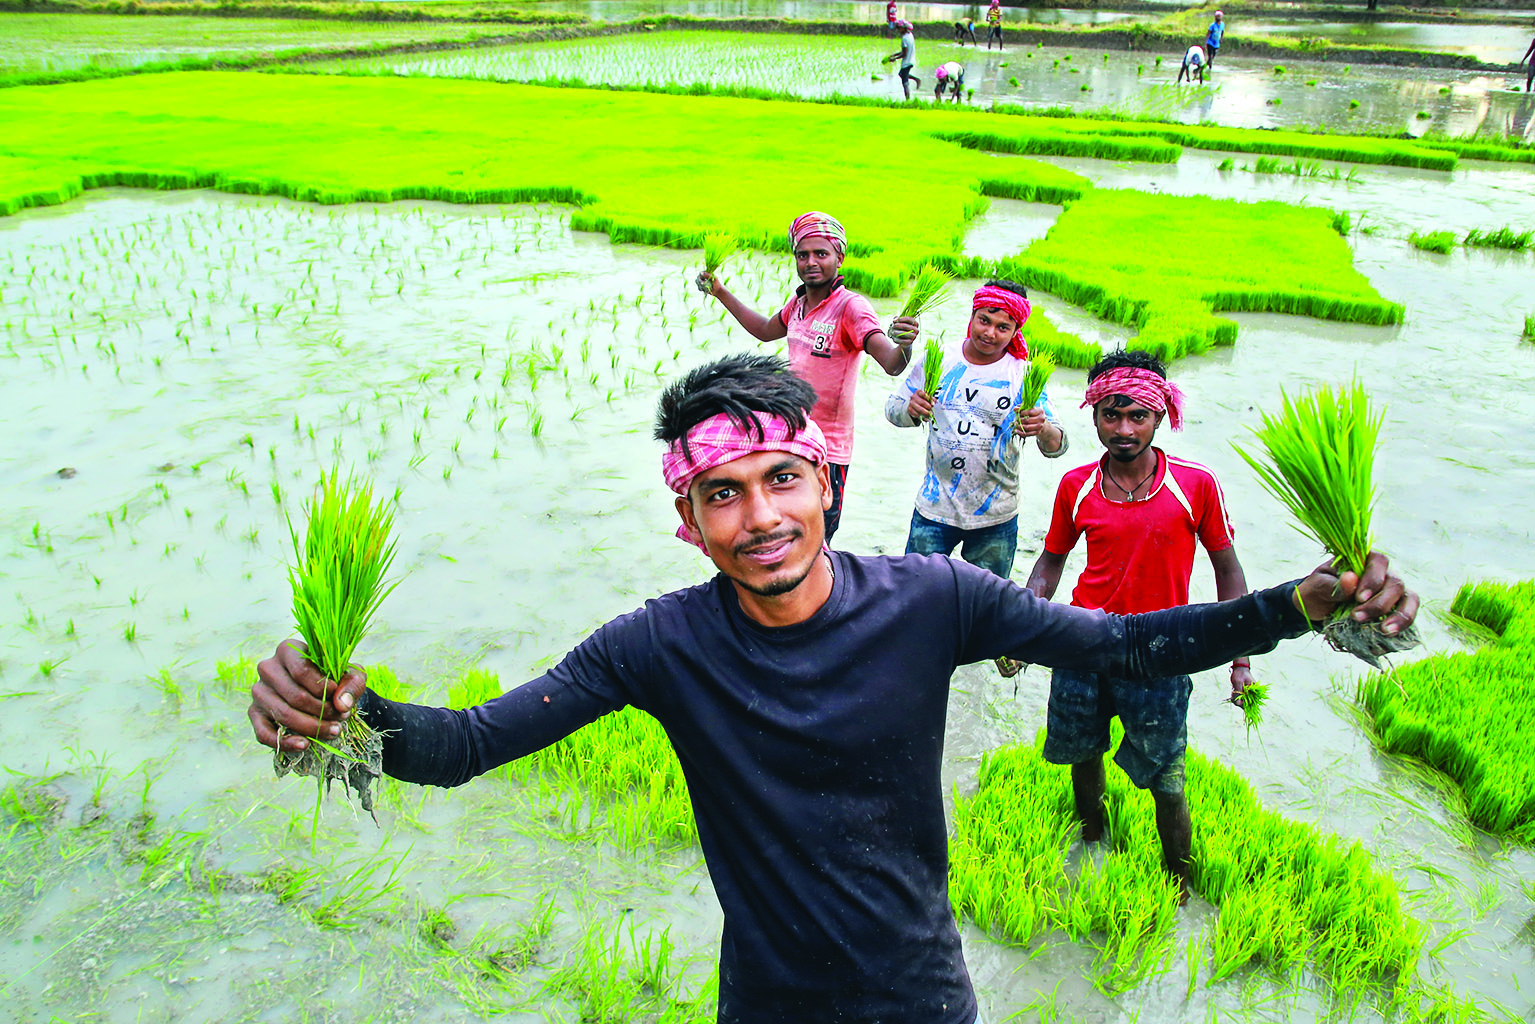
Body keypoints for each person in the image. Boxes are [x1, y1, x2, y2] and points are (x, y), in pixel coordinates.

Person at [250, 352, 1418, 1024]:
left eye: (782, 479)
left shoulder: (930, 600)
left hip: (917, 991)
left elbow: (1123, 646)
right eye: (724, 495)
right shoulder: (656, 646)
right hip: (764, 1004)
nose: (759, 518)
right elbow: (461, 746)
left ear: (825, 484)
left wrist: (1299, 606)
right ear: (686, 520)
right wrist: (343, 714)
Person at [1024, 349, 1260, 902]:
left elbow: (1228, 571)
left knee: (1166, 777)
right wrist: (1026, 627)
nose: (1123, 429)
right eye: (1111, 414)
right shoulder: (1077, 485)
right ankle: (1094, 840)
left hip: (1162, 647)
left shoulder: (1194, 485)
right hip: (1084, 638)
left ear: (1161, 416)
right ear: (1095, 415)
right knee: (1082, 751)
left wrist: (1240, 660)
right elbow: (1052, 561)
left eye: (1137, 416)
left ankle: (1180, 884)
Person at [694, 212, 920, 539]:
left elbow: (892, 363)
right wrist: (719, 291)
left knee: (817, 538)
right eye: (803, 255)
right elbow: (765, 330)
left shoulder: (850, 308)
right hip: (790, 440)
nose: (811, 262)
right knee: (784, 534)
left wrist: (904, 344)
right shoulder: (798, 304)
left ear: (839, 258)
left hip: (829, 452)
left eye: (821, 254)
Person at [885, 281, 1067, 676]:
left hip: (996, 516)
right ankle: (915, 660)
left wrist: (1042, 428)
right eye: (984, 320)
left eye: (1003, 327)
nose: (990, 332)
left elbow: (1057, 445)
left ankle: (992, 650)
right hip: (933, 509)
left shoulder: (1025, 374)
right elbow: (894, 410)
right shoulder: (940, 359)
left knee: (988, 601)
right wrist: (912, 408)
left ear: (1016, 331)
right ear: (971, 315)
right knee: (916, 595)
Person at [883, 19, 920, 99]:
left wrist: (894, 58)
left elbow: (904, 54)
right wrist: (894, 55)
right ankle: (916, 79)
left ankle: (907, 100)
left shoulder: (904, 39)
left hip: (906, 62)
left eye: (899, 28)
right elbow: (904, 51)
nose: (898, 30)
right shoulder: (910, 35)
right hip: (911, 60)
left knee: (905, 83)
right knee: (901, 74)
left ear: (903, 28)